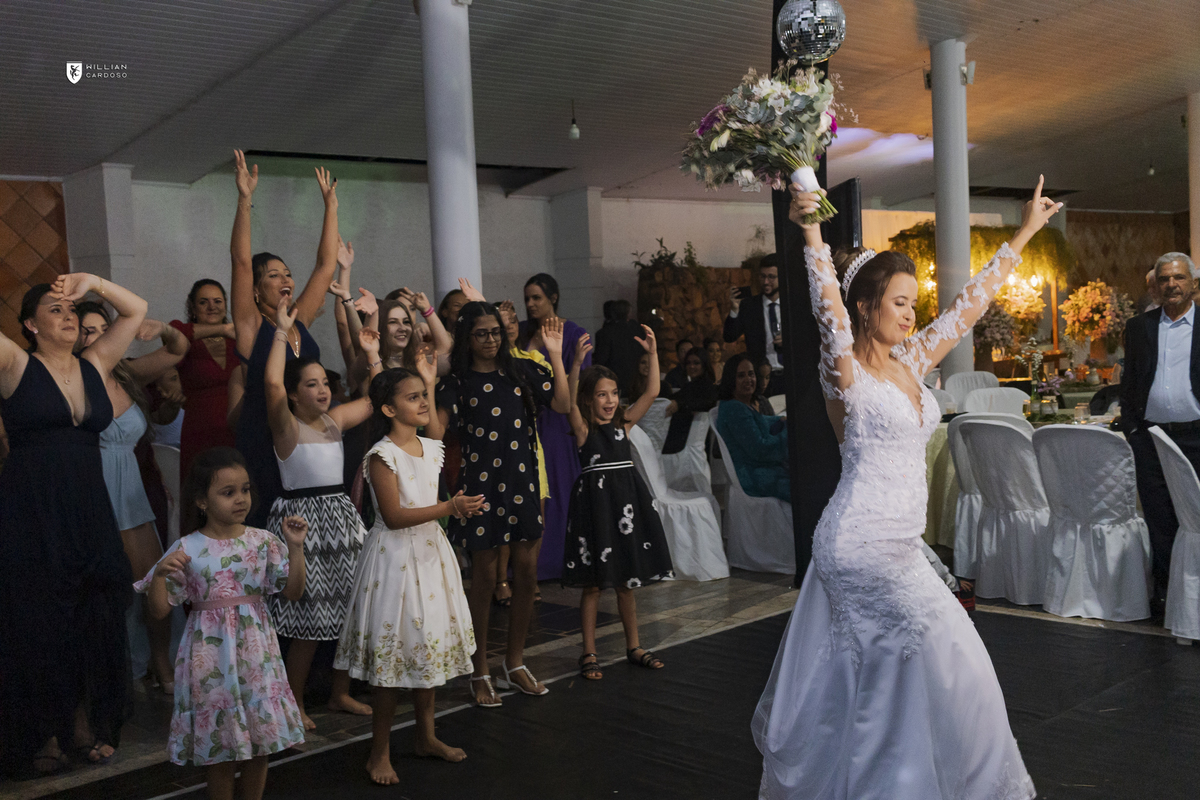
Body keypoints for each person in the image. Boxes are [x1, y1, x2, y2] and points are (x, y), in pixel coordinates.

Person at [752, 179, 1060, 798]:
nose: (911, 312)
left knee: (912, 672)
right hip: (859, 544)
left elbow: (968, 307)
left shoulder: (911, 362)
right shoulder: (843, 366)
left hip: (902, 543)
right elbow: (824, 306)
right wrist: (810, 229)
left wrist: (1025, 233)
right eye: (897, 302)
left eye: (912, 302)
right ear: (865, 308)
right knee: (947, 654)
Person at [0, 275, 147, 776]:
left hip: (88, 505)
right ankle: (41, 732)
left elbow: (135, 309)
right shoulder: (16, 363)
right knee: (39, 620)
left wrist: (95, 284)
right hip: (34, 509)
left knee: (92, 613)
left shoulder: (95, 364)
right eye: (53, 308)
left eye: (71, 308)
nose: (67, 315)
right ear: (29, 324)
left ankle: (81, 726)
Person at [133, 447, 307, 800]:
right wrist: (162, 578)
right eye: (228, 493)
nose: (240, 499)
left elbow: (292, 591)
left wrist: (296, 548)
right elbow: (159, 612)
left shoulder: (262, 541)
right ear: (201, 501)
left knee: (261, 742)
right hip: (212, 661)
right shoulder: (187, 548)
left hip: (256, 655)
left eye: (244, 489)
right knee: (222, 748)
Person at [335, 367, 482, 784]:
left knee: (425, 648)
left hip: (429, 556)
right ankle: (378, 752)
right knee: (393, 660)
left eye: (425, 395)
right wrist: (451, 508)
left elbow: (428, 496)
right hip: (395, 561)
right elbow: (396, 516)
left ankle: (426, 737)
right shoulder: (382, 455)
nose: (423, 403)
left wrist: (448, 508)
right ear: (388, 408)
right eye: (413, 397)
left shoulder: (429, 447)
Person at [439, 302, 569, 706]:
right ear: (466, 338)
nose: (492, 340)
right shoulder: (456, 383)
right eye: (482, 333)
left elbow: (563, 404)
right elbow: (436, 433)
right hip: (480, 486)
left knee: (526, 572)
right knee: (485, 577)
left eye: (496, 332)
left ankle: (515, 662)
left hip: (523, 480)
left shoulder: (521, 370)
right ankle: (479, 668)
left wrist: (556, 357)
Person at [263, 301, 383, 729]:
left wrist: (372, 357)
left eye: (323, 383)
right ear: (295, 395)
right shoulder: (287, 426)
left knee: (348, 612)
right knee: (307, 621)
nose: (321, 390)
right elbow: (272, 383)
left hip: (341, 520)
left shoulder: (333, 422)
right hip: (304, 525)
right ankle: (293, 700)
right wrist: (280, 331)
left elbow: (378, 398)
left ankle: (339, 693)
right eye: (310, 385)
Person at [77, 302, 189, 694]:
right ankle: (120, 670)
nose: (94, 337)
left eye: (101, 329)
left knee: (153, 580)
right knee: (110, 589)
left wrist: (162, 327)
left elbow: (178, 349)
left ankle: (161, 662)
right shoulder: (71, 379)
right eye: (85, 331)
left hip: (133, 490)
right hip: (94, 486)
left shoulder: (127, 373)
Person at [229, 150, 340, 527]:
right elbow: (241, 263)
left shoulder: (299, 320)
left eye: (288, 274)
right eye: (274, 275)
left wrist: (331, 207)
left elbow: (326, 266)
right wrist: (245, 200)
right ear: (256, 290)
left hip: (303, 439)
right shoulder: (250, 326)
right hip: (262, 439)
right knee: (268, 527)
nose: (287, 280)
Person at [563, 333, 674, 681]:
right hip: (596, 512)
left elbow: (652, 392)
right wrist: (575, 366)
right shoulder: (583, 431)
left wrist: (654, 354)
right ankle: (589, 652)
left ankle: (634, 645)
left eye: (613, 394)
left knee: (627, 581)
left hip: (624, 510)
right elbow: (567, 401)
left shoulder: (623, 426)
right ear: (589, 399)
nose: (610, 400)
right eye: (601, 395)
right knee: (594, 585)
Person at [1121, 251, 1200, 614]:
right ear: (1156, 286)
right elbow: (1131, 381)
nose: (1171, 284)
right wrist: (1133, 429)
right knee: (1159, 516)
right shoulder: (1140, 327)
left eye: (1179, 278)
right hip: (1151, 438)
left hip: (1196, 437)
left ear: (1193, 284)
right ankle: (1168, 596)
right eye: (1165, 279)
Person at [518, 273, 592, 581]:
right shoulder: (521, 333)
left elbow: (580, 387)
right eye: (528, 299)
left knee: (560, 486)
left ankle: (562, 559)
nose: (531, 304)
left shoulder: (574, 333)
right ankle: (529, 565)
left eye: (537, 298)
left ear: (554, 298)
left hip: (559, 419)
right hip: (526, 419)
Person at [493, 299, 553, 607]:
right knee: (504, 520)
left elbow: (555, 399)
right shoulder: (493, 362)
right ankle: (502, 579)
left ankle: (528, 577)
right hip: (501, 448)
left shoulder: (531, 358)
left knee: (535, 518)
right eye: (504, 322)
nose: (511, 325)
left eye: (514, 319)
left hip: (531, 445)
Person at [170, 279, 239, 481]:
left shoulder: (238, 337)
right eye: (203, 302)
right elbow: (173, 333)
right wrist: (223, 329)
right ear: (192, 306)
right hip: (200, 429)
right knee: (202, 490)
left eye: (217, 301)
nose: (211, 307)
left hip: (236, 428)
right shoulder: (184, 335)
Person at [716, 353, 789, 502]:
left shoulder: (743, 405)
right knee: (806, 487)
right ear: (731, 380)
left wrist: (783, 421)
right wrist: (790, 433)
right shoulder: (734, 409)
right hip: (754, 477)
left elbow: (762, 421)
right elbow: (761, 450)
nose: (748, 380)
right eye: (741, 376)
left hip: (761, 471)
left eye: (751, 374)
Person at [724, 253, 785, 395]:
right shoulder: (750, 306)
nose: (765, 282)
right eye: (762, 276)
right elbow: (729, 336)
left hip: (791, 375)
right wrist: (734, 309)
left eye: (771, 277)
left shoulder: (792, 305)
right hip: (761, 378)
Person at [661, 346, 718, 455]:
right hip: (683, 446)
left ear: (704, 365)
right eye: (688, 363)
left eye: (696, 363)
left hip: (690, 447)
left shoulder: (707, 386)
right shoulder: (690, 386)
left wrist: (680, 405)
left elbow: (707, 403)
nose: (691, 366)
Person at [593, 299, 645, 395]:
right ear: (629, 313)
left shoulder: (604, 333)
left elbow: (601, 359)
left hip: (613, 378)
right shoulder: (637, 329)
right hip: (636, 378)